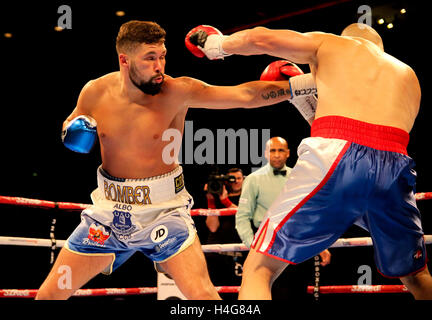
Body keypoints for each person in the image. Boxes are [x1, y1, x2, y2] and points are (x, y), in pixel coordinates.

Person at [34, 20, 317, 300]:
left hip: (165, 213)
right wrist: (71, 131)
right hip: (108, 215)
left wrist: (301, 84)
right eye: (150, 58)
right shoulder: (95, 92)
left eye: (162, 56)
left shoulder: (177, 92)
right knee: (48, 295)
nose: (159, 66)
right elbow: (70, 123)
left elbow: (244, 95)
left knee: (203, 295)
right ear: (124, 60)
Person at [185, 23, 432, 299]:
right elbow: (367, 138)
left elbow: (261, 39)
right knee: (416, 275)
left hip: (338, 156)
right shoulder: (408, 76)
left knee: (260, 266)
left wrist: (216, 45)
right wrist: (302, 97)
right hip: (395, 168)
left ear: (346, 38)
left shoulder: (334, 45)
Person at [236, 136, 330, 299]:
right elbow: (242, 217)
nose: (277, 155)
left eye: (280, 150)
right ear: (266, 153)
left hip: (297, 243)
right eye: (273, 150)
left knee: (296, 294)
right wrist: (253, 245)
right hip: (267, 242)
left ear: (288, 153)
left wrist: (319, 245)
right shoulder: (253, 179)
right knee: (268, 291)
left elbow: (308, 216)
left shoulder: (298, 177)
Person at [204, 168, 245, 287]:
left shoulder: (248, 197)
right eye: (232, 179)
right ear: (226, 181)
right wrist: (211, 201)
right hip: (218, 254)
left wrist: (226, 202)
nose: (236, 181)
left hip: (241, 253)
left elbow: (245, 216)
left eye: (239, 178)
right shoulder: (216, 198)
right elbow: (212, 227)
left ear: (244, 179)